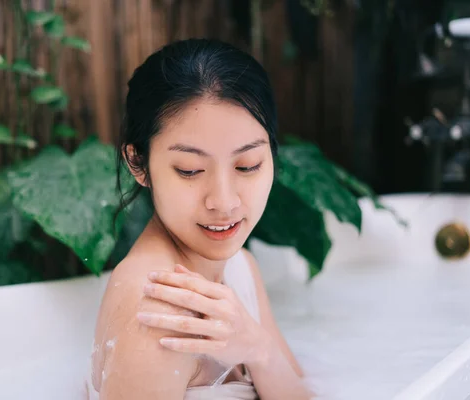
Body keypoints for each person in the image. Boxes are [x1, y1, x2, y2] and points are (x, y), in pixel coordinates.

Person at [86, 38, 313, 400]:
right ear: (138, 163)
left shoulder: (238, 265)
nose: (224, 202)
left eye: (247, 165)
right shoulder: (158, 314)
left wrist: (257, 348)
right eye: (190, 170)